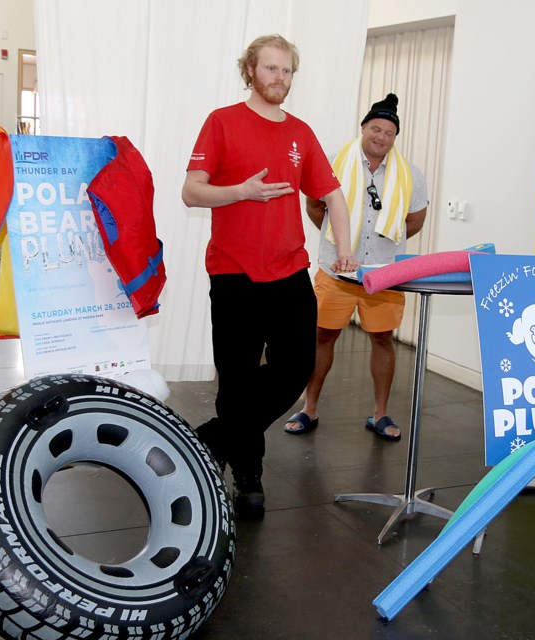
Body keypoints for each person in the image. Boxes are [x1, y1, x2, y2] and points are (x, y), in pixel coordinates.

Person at [182, 34, 358, 520]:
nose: (279, 78)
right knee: (236, 381)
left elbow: (335, 198)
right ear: (250, 71)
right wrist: (241, 191)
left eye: (286, 71)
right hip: (234, 274)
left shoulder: (301, 133)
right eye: (270, 69)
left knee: (295, 370)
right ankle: (249, 477)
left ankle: (210, 440)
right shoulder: (221, 123)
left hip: (288, 274)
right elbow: (192, 193)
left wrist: (343, 250)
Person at [284, 93, 428, 442]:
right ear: (363, 128)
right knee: (322, 337)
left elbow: (415, 220)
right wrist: (337, 240)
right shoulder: (334, 161)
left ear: (395, 137)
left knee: (383, 339)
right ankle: (309, 407)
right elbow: (316, 207)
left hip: (385, 274)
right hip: (336, 270)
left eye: (389, 132)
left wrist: (383, 243)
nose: (381, 136)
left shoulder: (410, 174)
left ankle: (380, 413)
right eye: (375, 128)